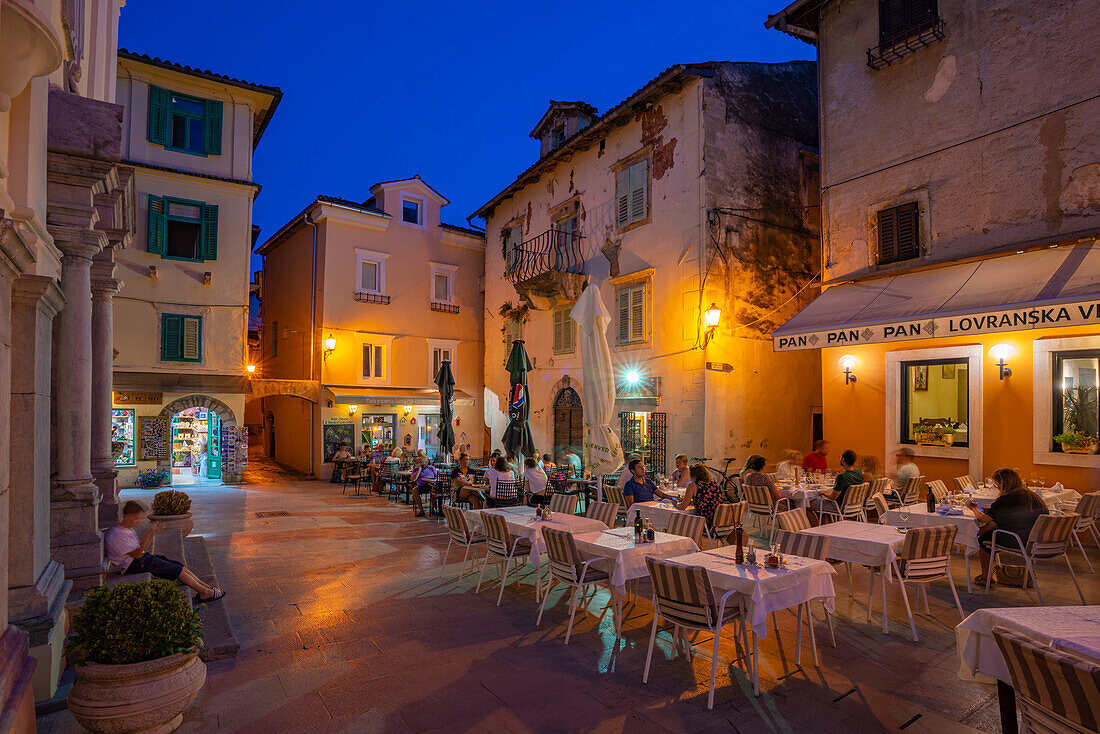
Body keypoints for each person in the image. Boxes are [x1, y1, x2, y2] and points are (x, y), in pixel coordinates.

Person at [105, 501, 224, 601]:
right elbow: (136, 554)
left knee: (179, 565)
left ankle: (207, 588)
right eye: (136, 518)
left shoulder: (126, 530)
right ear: (127, 516)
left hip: (141, 559)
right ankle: (204, 592)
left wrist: (153, 533)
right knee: (175, 570)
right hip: (133, 565)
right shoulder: (117, 535)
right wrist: (149, 533)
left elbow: (139, 549)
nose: (138, 522)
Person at [968, 468, 1048, 586]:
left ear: (1004, 483)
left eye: (997, 484)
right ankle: (976, 535)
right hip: (1037, 538)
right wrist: (991, 512)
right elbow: (1010, 515)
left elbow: (983, 518)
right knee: (993, 526)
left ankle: (986, 578)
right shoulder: (1031, 496)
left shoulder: (1006, 498)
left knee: (984, 540)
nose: (997, 487)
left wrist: (973, 508)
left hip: (1021, 540)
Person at [810, 449, 862, 522]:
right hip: (855, 505)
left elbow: (833, 497)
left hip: (839, 506)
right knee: (822, 502)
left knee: (809, 504)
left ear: (843, 459)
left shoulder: (842, 477)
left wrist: (824, 493)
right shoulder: (858, 472)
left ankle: (816, 528)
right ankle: (827, 524)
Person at [677, 464, 723, 530]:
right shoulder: (713, 483)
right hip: (718, 521)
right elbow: (706, 500)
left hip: (705, 523)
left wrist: (674, 503)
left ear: (693, 474)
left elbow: (682, 507)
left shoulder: (693, 485)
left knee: (680, 521)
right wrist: (690, 502)